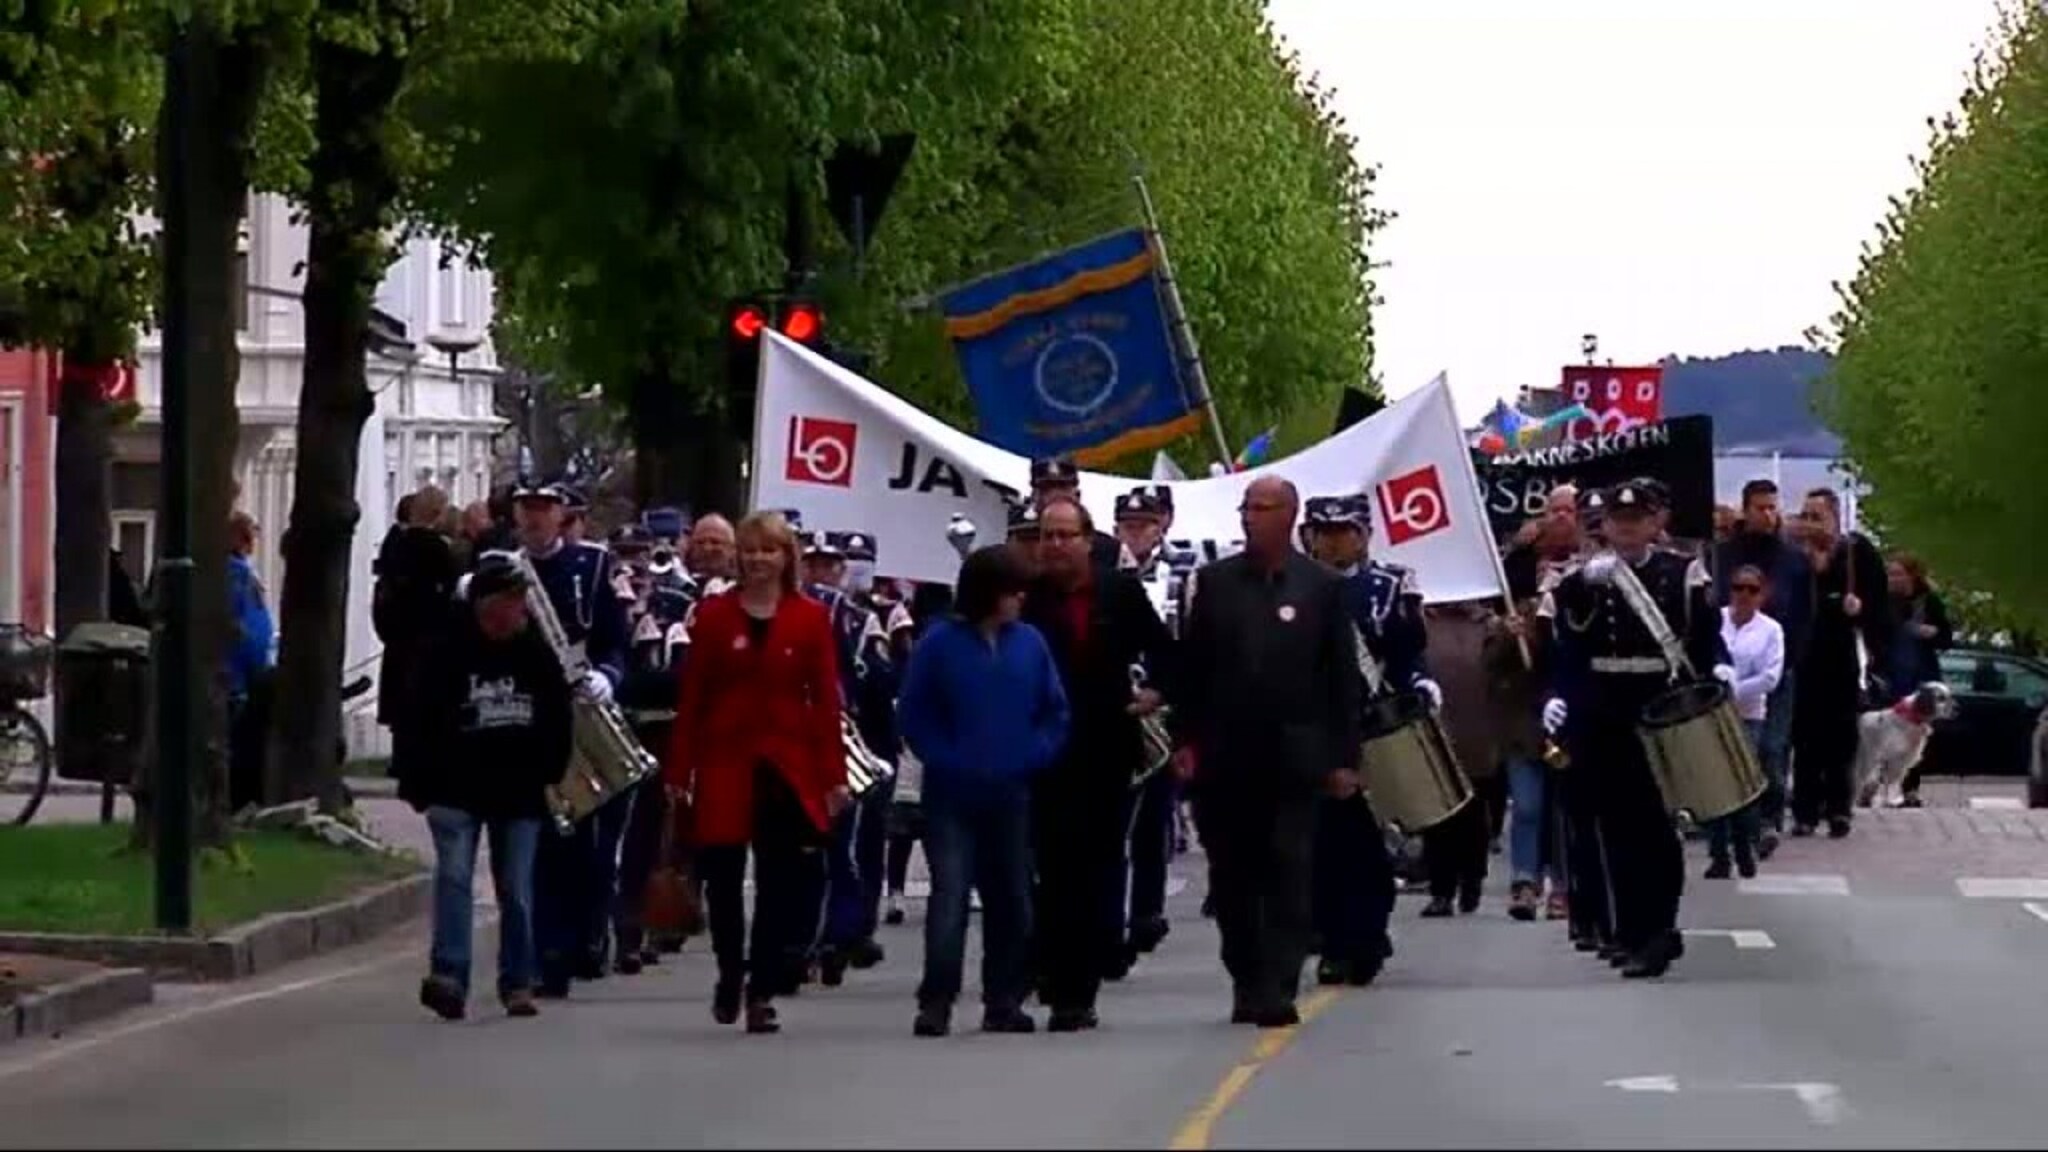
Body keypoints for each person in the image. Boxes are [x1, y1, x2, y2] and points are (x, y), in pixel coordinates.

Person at [1172, 476, 1365, 1026]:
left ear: (1289, 515)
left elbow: (1341, 680)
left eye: (1263, 508)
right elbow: (1194, 669)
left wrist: (1344, 757)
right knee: (1233, 876)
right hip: (1226, 756)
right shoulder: (1214, 583)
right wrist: (1185, 739)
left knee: (1289, 870)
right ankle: (1246, 974)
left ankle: (1279, 982)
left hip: (1296, 756)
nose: (1251, 517)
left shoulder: (1321, 587)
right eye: (1247, 507)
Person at [666, 511, 845, 1034]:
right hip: (724, 761)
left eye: (770, 550)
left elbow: (824, 704)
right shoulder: (716, 617)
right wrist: (679, 770)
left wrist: (833, 777)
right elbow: (693, 698)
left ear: (787, 556)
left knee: (778, 882)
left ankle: (762, 987)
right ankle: (729, 971)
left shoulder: (809, 617)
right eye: (750, 551)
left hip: (786, 764)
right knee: (721, 878)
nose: (760, 560)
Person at [1542, 481, 1724, 979]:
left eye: (1637, 518)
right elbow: (1568, 650)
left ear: (1656, 522)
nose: (1626, 527)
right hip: (1604, 709)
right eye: (1618, 520)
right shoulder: (1581, 578)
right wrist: (1558, 698)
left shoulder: (1680, 573)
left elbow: (1704, 639)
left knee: (1655, 827)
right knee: (1616, 828)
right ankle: (1629, 930)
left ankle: (1658, 928)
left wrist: (1716, 678)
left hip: (1659, 705)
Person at [897, 544, 1069, 1037]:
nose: (1019, 600)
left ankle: (1003, 997)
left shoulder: (1029, 643)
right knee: (949, 896)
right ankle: (937, 998)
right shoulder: (939, 642)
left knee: (1011, 897)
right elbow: (914, 711)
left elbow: (1054, 709)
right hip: (952, 791)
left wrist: (1035, 753)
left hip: (1011, 789)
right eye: (1011, 591)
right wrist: (942, 754)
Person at [1021, 497, 1177, 1031]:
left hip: (1107, 746)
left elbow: (1165, 651)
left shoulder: (1119, 591)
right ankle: (1053, 970)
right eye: (1048, 535)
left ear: (1089, 540)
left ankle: (1079, 986)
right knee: (1053, 866)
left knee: (1097, 865)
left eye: (1066, 535)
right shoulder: (1028, 597)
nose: (1056, 545)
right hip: (1044, 749)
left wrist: (1155, 692)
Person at [410, 555, 568, 1021]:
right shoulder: (446, 652)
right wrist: (422, 780)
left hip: (519, 789)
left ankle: (518, 979)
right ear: (484, 606)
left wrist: (550, 772)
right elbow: (420, 718)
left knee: (517, 887)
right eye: (508, 603)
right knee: (455, 877)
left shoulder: (535, 655)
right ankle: (449, 974)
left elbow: (557, 717)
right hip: (456, 785)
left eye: (521, 603)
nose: (516, 612)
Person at [493, 480, 630, 997]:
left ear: (562, 514)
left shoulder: (592, 567)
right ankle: (544, 953)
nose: (535, 519)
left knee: (586, 840)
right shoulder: (499, 569)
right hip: (524, 717)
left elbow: (616, 640)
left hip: (580, 714)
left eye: (545, 509)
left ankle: (586, 937)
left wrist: (609, 677)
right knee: (540, 838)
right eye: (527, 509)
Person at [1299, 493, 1421, 983]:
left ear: (1364, 534)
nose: (1333, 542)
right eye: (1324, 533)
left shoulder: (1389, 586)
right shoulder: (1294, 586)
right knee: (1324, 842)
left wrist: (1419, 681)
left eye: (1344, 532)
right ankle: (1333, 940)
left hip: (1374, 725)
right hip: (1318, 728)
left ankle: (1368, 933)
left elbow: (1409, 648)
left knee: (1373, 841)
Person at [1713, 479, 1812, 858]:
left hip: (1776, 667)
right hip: (1729, 666)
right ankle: (1732, 823)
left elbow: (1805, 615)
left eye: (1773, 507)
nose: (1768, 515)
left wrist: (1789, 660)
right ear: (1746, 509)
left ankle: (1769, 819)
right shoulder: (1723, 556)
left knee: (1772, 748)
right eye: (1760, 508)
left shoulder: (1793, 559)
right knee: (1732, 749)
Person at [1789, 489, 1890, 839]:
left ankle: (1838, 808)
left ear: (1835, 518)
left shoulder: (1855, 553)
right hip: (1803, 655)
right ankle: (1804, 810)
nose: (1809, 524)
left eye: (1817, 517)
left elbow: (1881, 604)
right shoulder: (1794, 553)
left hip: (1842, 653)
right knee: (1804, 737)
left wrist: (1860, 608)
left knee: (1841, 737)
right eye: (1805, 515)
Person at [1111, 487, 1182, 969]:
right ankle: (1109, 920)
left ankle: (1147, 910)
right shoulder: (1104, 572)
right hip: (1114, 706)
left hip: (1161, 708)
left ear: (1162, 527)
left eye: (1145, 524)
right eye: (1128, 524)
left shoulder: (1180, 576)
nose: (1136, 532)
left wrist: (1164, 689)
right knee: (1112, 823)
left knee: (1154, 818)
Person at [375, 486, 461, 807]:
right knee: (421, 706)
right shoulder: (436, 550)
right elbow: (448, 594)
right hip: (426, 640)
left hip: (398, 639)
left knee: (402, 708)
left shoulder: (395, 544)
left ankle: (402, 761)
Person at [1710, 565, 1784, 879]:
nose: (1744, 595)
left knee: (1742, 782)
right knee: (1714, 783)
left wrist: (1734, 689)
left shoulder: (1770, 630)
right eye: (1738, 588)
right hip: (1712, 712)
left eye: (1751, 590)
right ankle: (1719, 853)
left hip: (1749, 712)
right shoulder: (1717, 621)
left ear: (1762, 595)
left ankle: (1745, 845)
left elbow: (1770, 676)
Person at [1887, 552, 1954, 806]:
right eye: (1890, 574)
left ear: (1912, 576)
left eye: (1898, 574)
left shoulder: (1929, 602)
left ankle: (1910, 787)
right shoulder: (1885, 601)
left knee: (1914, 732)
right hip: (1892, 672)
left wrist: (1933, 633)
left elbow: (1947, 638)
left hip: (1920, 674)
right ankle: (1886, 785)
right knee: (1889, 731)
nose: (1893, 580)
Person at [1029, 456, 1122, 570]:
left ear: (1077, 495)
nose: (1055, 496)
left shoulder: (1108, 549)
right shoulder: (1017, 545)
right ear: (1034, 497)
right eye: (1047, 490)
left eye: (1063, 488)